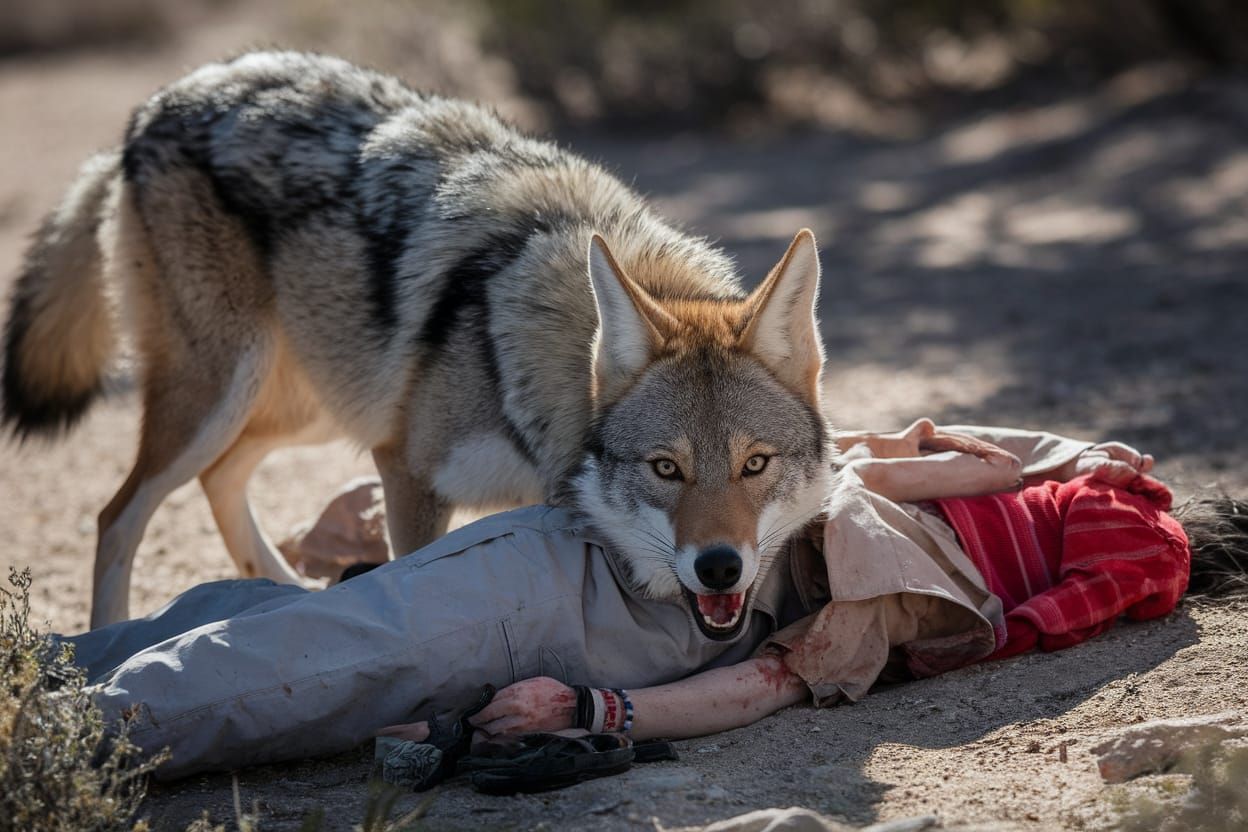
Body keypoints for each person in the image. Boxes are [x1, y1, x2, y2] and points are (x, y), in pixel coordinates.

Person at [69, 421, 1208, 779]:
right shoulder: (911, 567)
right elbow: (970, 462)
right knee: (313, 639)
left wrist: (598, 711)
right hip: (591, 590)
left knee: (313, 648)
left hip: (586, 601)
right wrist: (608, 711)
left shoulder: (896, 567)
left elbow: (766, 680)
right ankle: (55, 694)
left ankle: (57, 730)